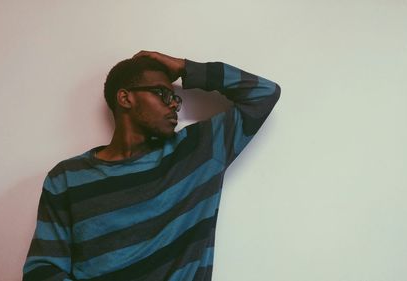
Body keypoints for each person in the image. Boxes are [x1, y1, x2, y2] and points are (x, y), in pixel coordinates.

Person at [22, 51, 281, 281]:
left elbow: (264, 93)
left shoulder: (198, 152)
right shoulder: (67, 178)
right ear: (125, 98)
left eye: (176, 98)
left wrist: (185, 67)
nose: (173, 105)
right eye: (162, 93)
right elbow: (42, 269)